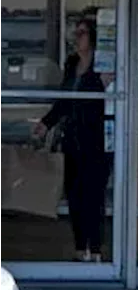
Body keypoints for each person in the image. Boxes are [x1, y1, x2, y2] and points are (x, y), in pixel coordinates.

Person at [33, 17, 108, 263]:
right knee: (74, 194)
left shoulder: (103, 65)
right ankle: (79, 248)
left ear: (93, 37)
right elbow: (65, 99)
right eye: (75, 34)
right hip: (72, 138)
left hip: (97, 139)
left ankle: (95, 248)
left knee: (93, 196)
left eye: (82, 34)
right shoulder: (72, 63)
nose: (76, 38)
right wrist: (47, 123)